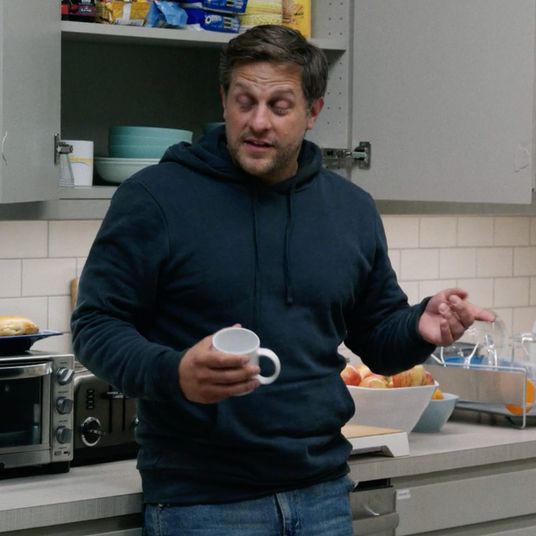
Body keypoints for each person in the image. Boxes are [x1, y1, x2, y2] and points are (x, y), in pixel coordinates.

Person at [71, 24, 495, 536]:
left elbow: (377, 339)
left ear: (313, 112)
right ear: (224, 99)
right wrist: (175, 372)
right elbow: (96, 326)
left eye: (279, 106)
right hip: (202, 503)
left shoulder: (351, 210)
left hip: (323, 495)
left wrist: (419, 327)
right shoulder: (155, 198)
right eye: (244, 101)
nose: (258, 122)